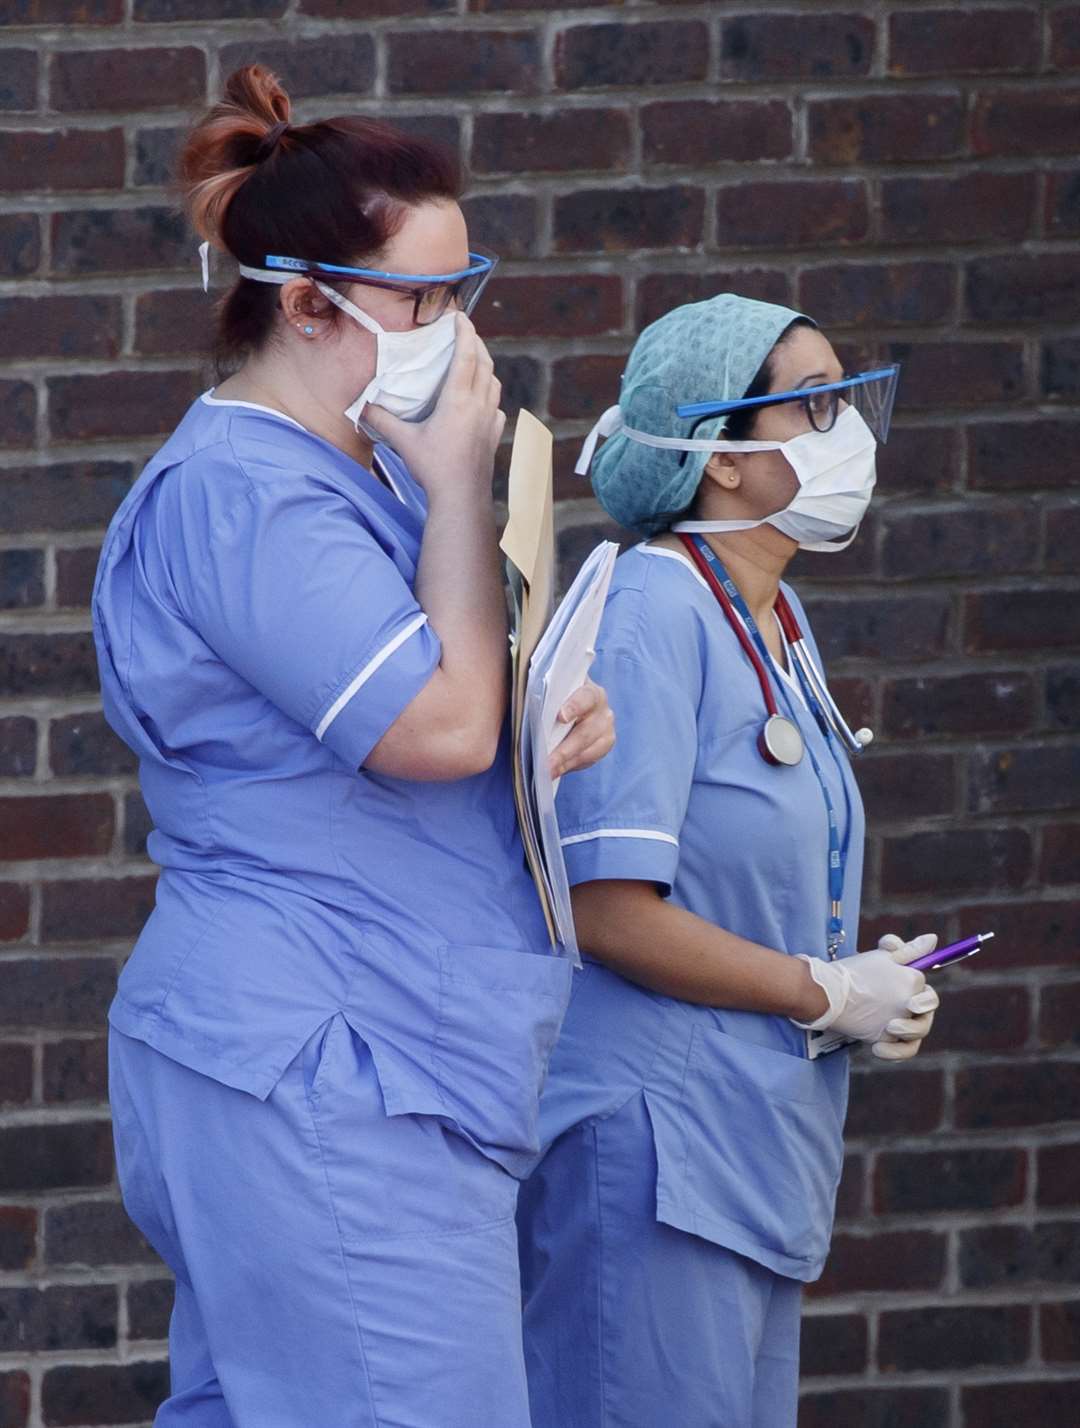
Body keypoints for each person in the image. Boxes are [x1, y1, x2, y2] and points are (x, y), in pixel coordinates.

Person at [93, 66, 613, 1427]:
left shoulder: (342, 476)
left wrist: (542, 730)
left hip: (338, 1055)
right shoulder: (245, 495)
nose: (457, 329)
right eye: (424, 299)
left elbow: (462, 716)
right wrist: (457, 483)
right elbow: (436, 729)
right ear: (307, 297)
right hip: (327, 1063)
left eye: (464, 289)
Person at [515, 294, 942, 1428]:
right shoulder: (651, 609)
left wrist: (864, 971)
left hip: (752, 1152)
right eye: (814, 404)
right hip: (654, 1155)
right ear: (719, 458)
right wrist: (823, 992)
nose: (847, 427)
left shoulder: (777, 614)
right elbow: (607, 910)